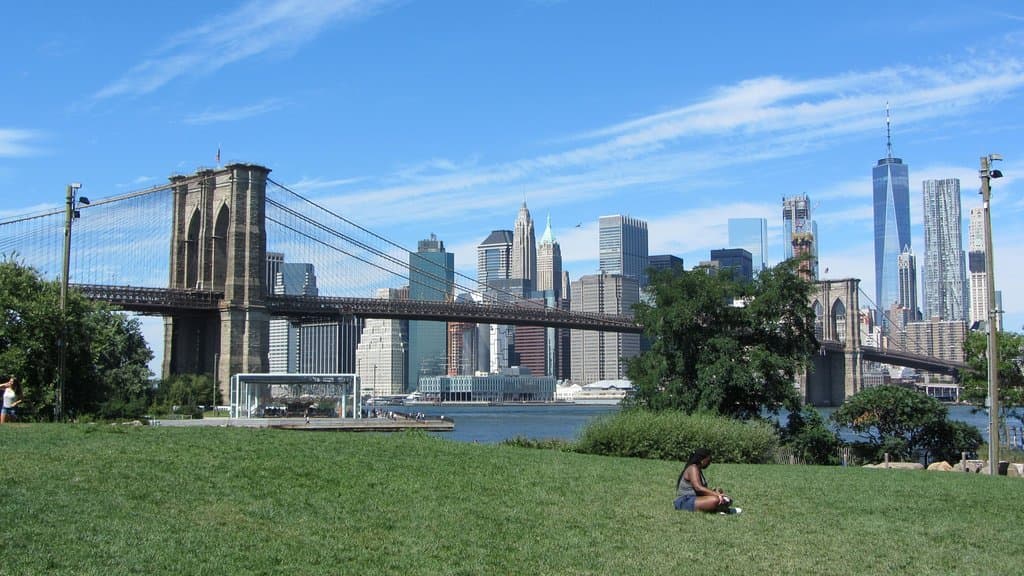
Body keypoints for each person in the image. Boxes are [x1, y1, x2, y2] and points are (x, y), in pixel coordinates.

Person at [673, 448, 741, 514]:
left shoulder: (698, 469)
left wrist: (716, 491)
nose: (709, 463)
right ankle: (722, 510)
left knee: (726, 498)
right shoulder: (693, 468)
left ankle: (720, 509)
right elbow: (698, 488)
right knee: (715, 500)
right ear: (702, 460)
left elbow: (700, 490)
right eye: (708, 460)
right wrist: (717, 495)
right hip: (685, 501)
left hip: (695, 498)